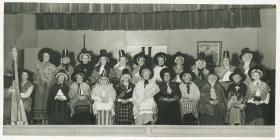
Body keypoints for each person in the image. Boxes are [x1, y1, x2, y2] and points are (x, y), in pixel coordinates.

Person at [33, 48, 56, 125]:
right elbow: (35, 76)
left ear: (50, 57)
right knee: (39, 103)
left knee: (47, 103)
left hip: (49, 87)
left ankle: (47, 121)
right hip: (40, 87)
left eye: (47, 56)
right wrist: (39, 81)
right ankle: (40, 121)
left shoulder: (53, 66)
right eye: (44, 56)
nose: (45, 57)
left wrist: (48, 82)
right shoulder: (38, 65)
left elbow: (54, 78)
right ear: (42, 57)